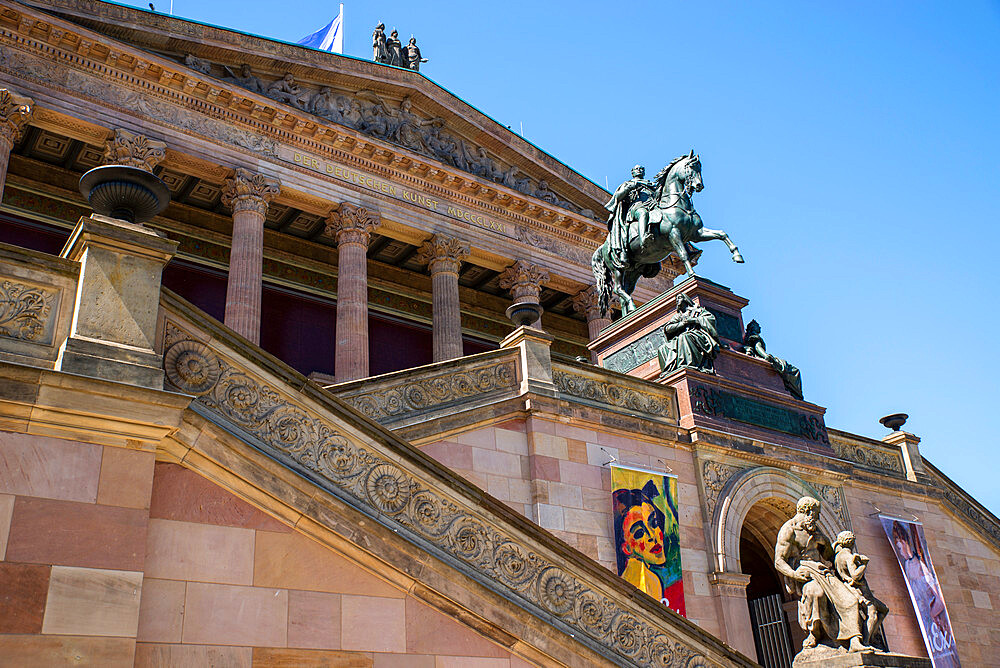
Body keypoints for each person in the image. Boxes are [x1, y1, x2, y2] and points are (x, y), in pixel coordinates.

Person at [774, 496, 869, 652]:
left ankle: (854, 640)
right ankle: (816, 634)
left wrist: (825, 542)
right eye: (816, 513)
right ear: (808, 511)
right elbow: (779, 561)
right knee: (816, 593)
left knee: (850, 599)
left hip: (822, 572)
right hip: (805, 574)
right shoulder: (789, 529)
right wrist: (795, 575)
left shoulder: (814, 530)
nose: (817, 518)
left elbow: (829, 556)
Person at [612, 480, 667, 601]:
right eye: (640, 533)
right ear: (626, 548)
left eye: (654, 523)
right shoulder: (649, 581)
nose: (652, 536)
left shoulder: (644, 577)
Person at [833, 531, 889, 645]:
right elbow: (855, 575)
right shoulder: (848, 556)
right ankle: (867, 641)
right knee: (872, 613)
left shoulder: (838, 556)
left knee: (883, 609)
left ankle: (871, 636)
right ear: (852, 543)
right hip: (858, 590)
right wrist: (864, 564)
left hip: (851, 587)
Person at [603, 165, 655, 266]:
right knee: (643, 213)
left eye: (642, 169)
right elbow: (618, 196)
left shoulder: (650, 185)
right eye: (637, 169)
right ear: (633, 172)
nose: (639, 170)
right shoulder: (629, 184)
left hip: (652, 207)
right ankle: (643, 237)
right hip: (636, 208)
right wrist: (631, 187)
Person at [657, 293, 720, 375]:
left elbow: (710, 319)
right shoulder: (678, 316)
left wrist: (694, 320)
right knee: (662, 348)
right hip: (682, 336)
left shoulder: (698, 310)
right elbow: (668, 328)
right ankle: (669, 371)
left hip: (698, 334)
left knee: (684, 337)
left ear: (685, 299)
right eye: (676, 299)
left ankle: (688, 364)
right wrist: (682, 324)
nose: (677, 300)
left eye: (679, 298)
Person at [743, 319, 803, 399]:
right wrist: (766, 356)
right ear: (753, 328)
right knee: (795, 371)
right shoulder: (755, 337)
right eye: (757, 326)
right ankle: (795, 392)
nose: (760, 327)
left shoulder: (751, 336)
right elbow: (758, 347)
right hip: (764, 357)